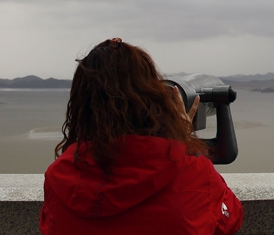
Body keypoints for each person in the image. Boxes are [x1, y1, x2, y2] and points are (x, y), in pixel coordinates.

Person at [41, 38, 243, 235]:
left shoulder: (57, 178)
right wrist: (182, 140)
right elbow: (231, 219)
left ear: (81, 107)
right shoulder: (191, 172)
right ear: (152, 100)